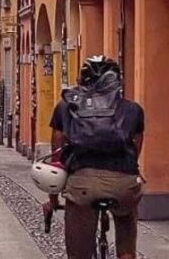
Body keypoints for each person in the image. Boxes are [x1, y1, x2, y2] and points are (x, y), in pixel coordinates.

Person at [46, 56, 145, 259]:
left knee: (78, 252)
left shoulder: (66, 107)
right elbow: (135, 149)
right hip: (123, 183)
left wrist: (53, 199)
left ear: (81, 80)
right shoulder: (133, 109)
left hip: (83, 185)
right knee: (126, 214)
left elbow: (57, 157)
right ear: (118, 81)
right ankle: (126, 254)